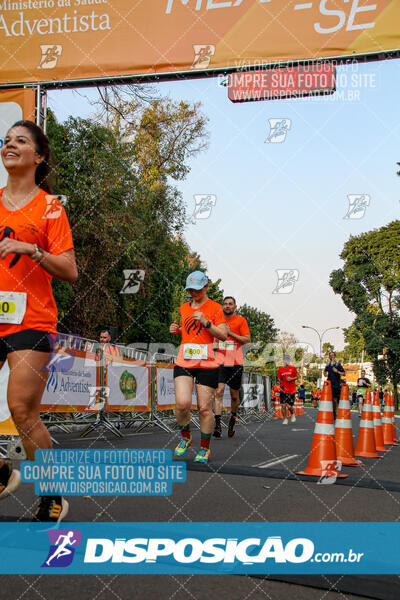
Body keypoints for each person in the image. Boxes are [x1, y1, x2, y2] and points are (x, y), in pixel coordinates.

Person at [0, 120, 77, 521]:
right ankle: (1, 472)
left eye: (21, 140)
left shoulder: (49, 207)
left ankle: (52, 498)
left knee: (22, 410)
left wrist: (31, 249)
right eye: (6, 140)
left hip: (30, 319)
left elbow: (69, 270)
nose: (10, 145)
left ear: (38, 156)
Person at [170, 271, 227, 463]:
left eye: (197, 289)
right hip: (184, 360)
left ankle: (204, 448)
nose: (193, 293)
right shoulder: (184, 307)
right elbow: (189, 334)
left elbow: (223, 335)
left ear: (206, 287)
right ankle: (185, 437)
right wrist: (178, 331)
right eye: (190, 290)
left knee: (204, 408)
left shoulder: (216, 307)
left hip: (207, 363)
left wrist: (206, 322)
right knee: (182, 404)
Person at [213, 296, 250, 438]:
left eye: (230, 304)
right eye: (225, 304)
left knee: (235, 396)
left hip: (235, 362)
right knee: (219, 391)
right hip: (220, 361)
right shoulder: (217, 321)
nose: (227, 306)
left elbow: (247, 340)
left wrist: (231, 333)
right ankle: (217, 426)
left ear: (235, 307)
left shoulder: (241, 321)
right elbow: (213, 339)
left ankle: (232, 420)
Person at [277, 354, 298, 424]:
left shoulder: (293, 368)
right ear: (283, 360)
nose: (286, 361)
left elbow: (297, 377)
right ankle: (285, 419)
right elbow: (279, 379)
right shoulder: (280, 369)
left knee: (289, 406)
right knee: (283, 405)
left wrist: (291, 378)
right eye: (285, 359)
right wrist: (280, 384)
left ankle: (292, 413)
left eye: (288, 360)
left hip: (291, 390)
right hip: (283, 390)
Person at [323, 351, 345, 420]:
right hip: (329, 385)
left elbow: (344, 373)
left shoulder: (338, 365)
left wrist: (337, 371)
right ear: (329, 357)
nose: (332, 356)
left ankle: (335, 412)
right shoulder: (328, 365)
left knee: (335, 400)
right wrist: (325, 373)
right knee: (331, 399)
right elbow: (325, 371)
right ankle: (333, 412)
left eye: (333, 355)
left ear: (335, 356)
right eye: (330, 355)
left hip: (336, 384)